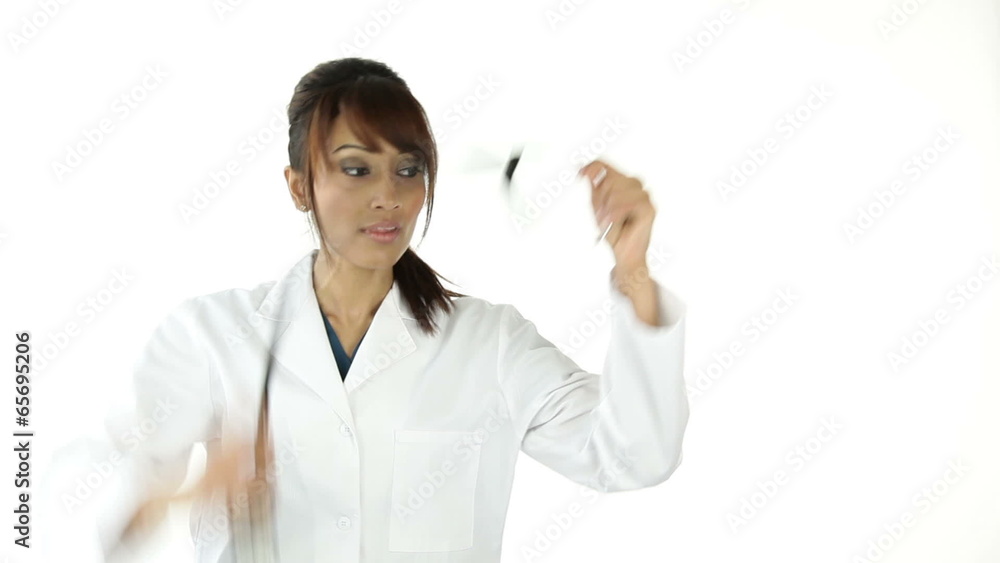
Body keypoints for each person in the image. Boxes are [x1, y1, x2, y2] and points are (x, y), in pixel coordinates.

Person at [96, 57, 689, 562]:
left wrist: (633, 271)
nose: (388, 196)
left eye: (408, 169)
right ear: (299, 186)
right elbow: (102, 497)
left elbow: (633, 456)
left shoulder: (491, 343)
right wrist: (184, 496)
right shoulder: (211, 335)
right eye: (356, 169)